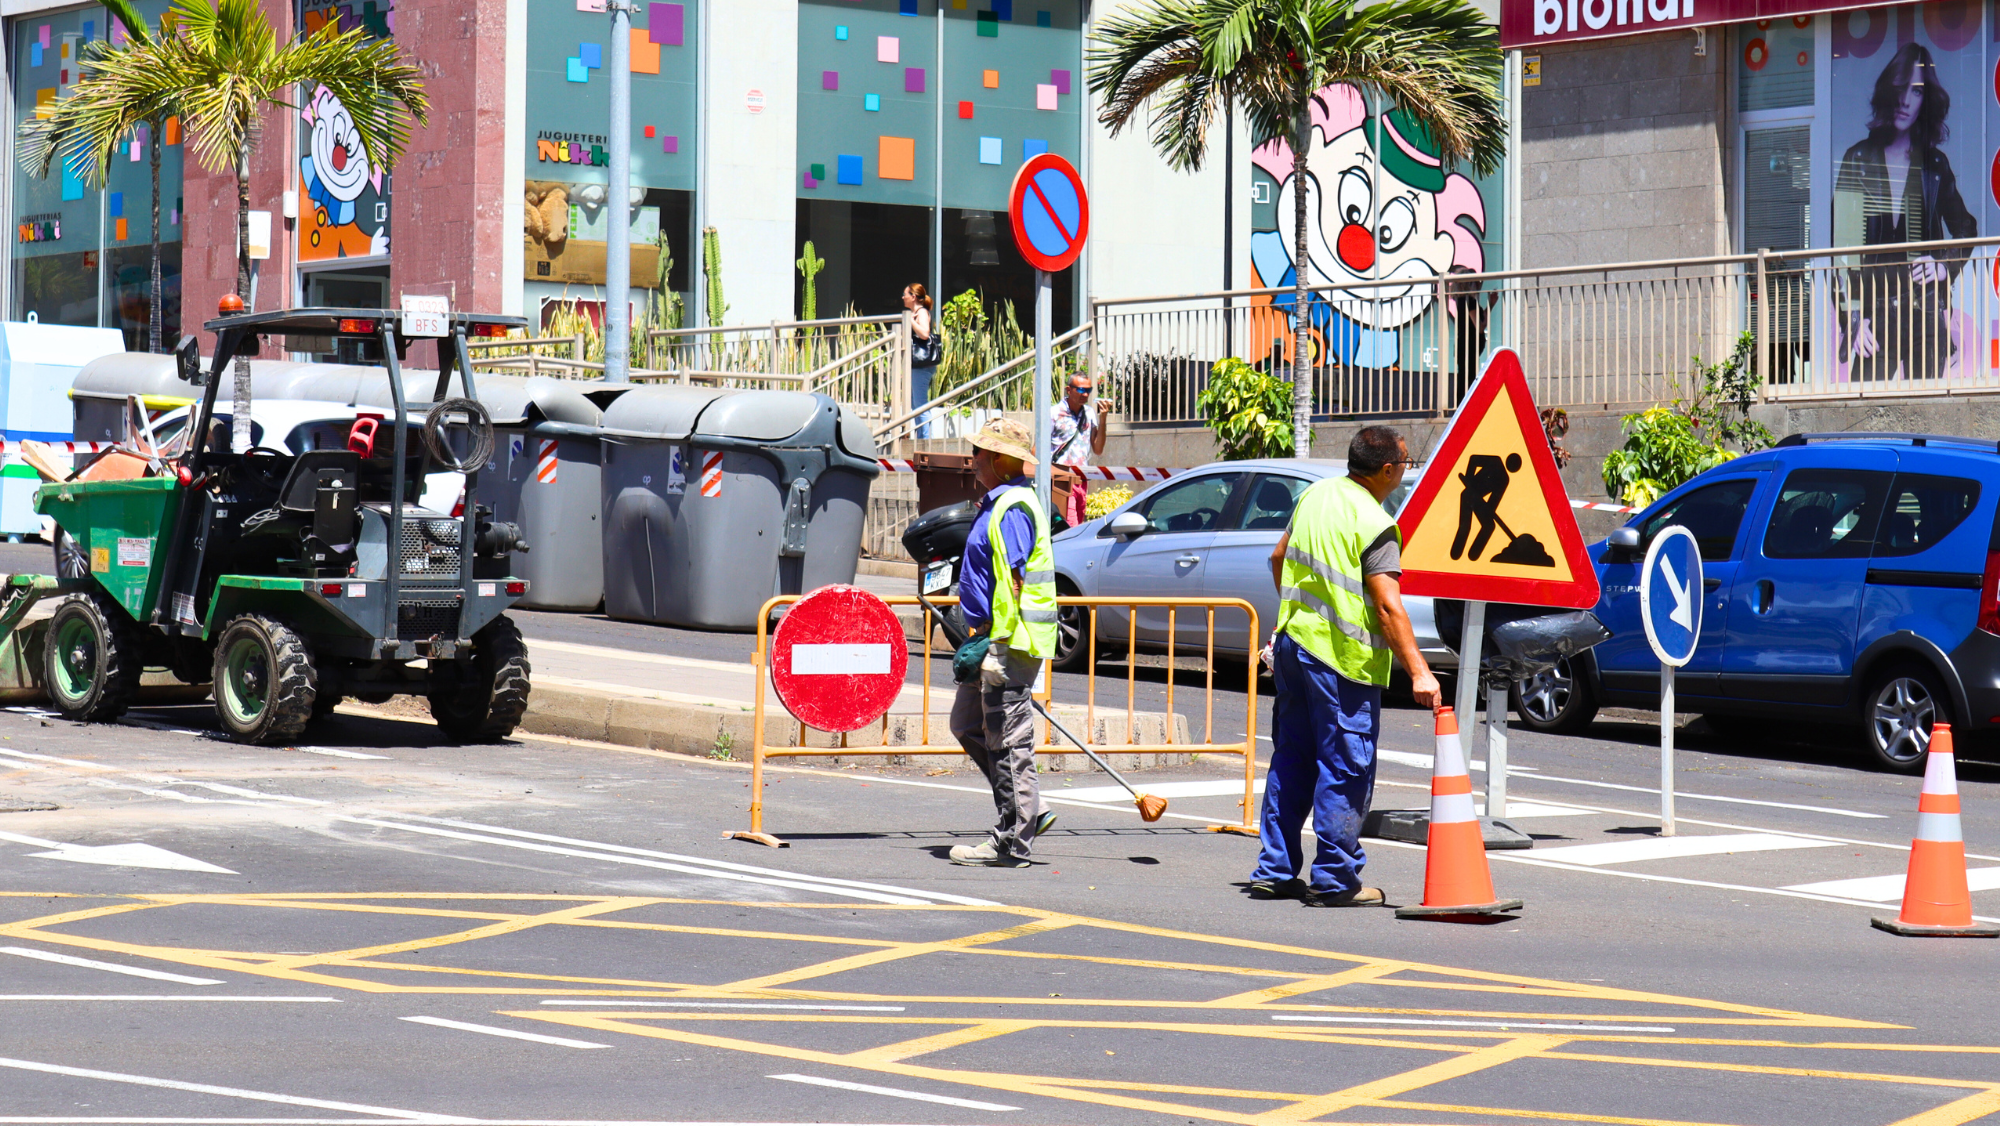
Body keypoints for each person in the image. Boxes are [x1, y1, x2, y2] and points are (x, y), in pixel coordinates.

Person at [1248, 425, 1442, 907]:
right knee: (1345, 767)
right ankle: (1335, 880)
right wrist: (1419, 670)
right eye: (1404, 463)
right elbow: (1387, 607)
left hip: (1294, 650)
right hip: (1341, 663)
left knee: (1291, 759)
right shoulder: (1376, 522)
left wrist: (1295, 611)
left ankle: (1274, 870)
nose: (1405, 471)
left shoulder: (1316, 495)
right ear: (1387, 470)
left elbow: (1277, 557)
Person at [948, 418, 1058, 868]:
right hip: (993, 639)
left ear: (998, 460)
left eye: (979, 453)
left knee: (1009, 741)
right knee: (967, 724)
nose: (972, 460)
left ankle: (1012, 838)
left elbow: (1013, 583)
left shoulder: (1012, 507)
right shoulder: (997, 502)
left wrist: (998, 644)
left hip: (1009, 643)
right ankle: (1032, 810)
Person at [1833, 42, 1977, 382]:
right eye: (1899, 88)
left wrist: (1943, 266)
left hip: (1924, 313)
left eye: (1916, 91)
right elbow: (1841, 251)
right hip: (1873, 315)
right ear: (1888, 90)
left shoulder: (1934, 165)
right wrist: (1852, 317)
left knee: (1923, 422)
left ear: (1926, 100)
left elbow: (1966, 229)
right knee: (1865, 418)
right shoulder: (1858, 159)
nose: (1905, 101)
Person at [1049, 374, 1112, 527]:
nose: (1085, 394)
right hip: (1061, 479)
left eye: (1088, 390)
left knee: (1078, 524)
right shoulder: (1054, 413)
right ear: (1069, 390)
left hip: (1082, 479)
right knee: (1070, 526)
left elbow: (1098, 449)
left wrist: (1103, 418)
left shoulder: (1089, 413)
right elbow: (1037, 448)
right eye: (1081, 389)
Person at [903, 283, 939, 439]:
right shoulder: (916, 312)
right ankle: (921, 437)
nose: (903, 297)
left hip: (921, 365)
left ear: (913, 296)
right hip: (917, 365)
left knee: (920, 403)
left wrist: (910, 320)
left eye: (905, 294)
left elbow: (925, 333)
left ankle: (924, 440)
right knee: (915, 403)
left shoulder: (921, 312)